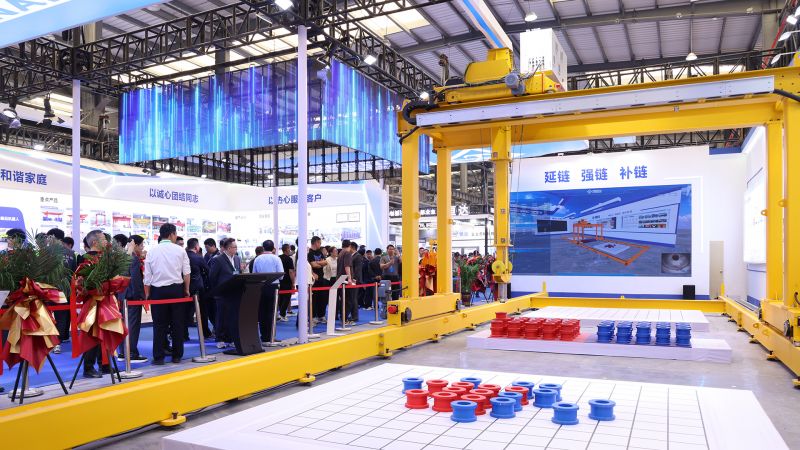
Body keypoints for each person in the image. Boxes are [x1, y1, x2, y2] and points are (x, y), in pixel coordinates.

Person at [144, 223, 191, 365]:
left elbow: (147, 276)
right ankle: (177, 356)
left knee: (159, 325)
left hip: (158, 291)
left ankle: (159, 357)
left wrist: (147, 294)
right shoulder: (180, 250)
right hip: (176, 290)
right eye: (175, 234)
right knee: (177, 324)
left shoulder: (152, 251)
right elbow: (186, 273)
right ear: (171, 234)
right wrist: (186, 290)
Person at [80, 230, 112, 378]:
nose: (106, 242)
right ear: (94, 242)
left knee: (105, 333)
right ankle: (88, 367)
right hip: (92, 303)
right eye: (103, 239)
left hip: (104, 301)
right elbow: (82, 284)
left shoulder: (104, 258)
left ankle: (104, 364)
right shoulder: (86, 260)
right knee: (92, 335)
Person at [118, 235, 147, 363]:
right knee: (133, 326)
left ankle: (122, 353)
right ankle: (132, 353)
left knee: (123, 325)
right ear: (135, 245)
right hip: (132, 296)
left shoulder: (123, 256)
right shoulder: (133, 258)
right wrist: (140, 296)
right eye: (141, 245)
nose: (142, 247)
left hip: (122, 296)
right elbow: (135, 280)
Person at [207, 238, 241, 350]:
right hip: (222, 293)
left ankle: (230, 338)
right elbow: (212, 277)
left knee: (232, 316)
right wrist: (218, 289)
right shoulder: (218, 259)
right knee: (221, 317)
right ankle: (220, 339)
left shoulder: (237, 258)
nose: (236, 249)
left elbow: (238, 272)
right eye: (235, 247)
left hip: (234, 292)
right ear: (228, 248)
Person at [46, 228, 74, 353]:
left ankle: (49, 342)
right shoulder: (71, 253)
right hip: (64, 289)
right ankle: (57, 343)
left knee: (46, 315)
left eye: (48, 237)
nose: (47, 240)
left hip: (48, 289)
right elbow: (73, 272)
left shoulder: (46, 252)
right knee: (61, 317)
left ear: (53, 237)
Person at [252, 240, 283, 345]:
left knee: (262, 312)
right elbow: (281, 275)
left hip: (260, 287)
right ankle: (271, 336)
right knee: (272, 312)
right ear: (273, 248)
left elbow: (254, 274)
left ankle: (264, 337)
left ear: (263, 247)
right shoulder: (276, 258)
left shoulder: (258, 259)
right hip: (273, 287)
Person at [186, 238, 210, 339]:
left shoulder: (183, 256)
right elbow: (208, 271)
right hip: (198, 288)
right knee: (202, 311)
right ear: (196, 247)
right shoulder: (198, 257)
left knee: (185, 312)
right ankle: (205, 333)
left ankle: (184, 335)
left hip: (185, 287)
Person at [308, 237, 329, 323]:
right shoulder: (309, 253)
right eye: (319, 243)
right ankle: (313, 316)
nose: (320, 244)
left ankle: (321, 315)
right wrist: (320, 263)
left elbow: (326, 262)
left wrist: (317, 263)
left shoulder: (320, 252)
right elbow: (313, 265)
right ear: (315, 242)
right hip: (313, 280)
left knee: (322, 298)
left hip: (321, 278)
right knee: (314, 299)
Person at [336, 240, 354, 323]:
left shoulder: (340, 253)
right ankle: (345, 319)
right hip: (345, 280)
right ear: (349, 246)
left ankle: (343, 318)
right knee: (348, 300)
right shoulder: (347, 253)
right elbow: (347, 266)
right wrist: (349, 278)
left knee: (343, 300)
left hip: (340, 279)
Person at [278, 243, 296, 321]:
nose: (290, 250)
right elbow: (291, 271)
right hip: (287, 280)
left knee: (281, 297)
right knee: (287, 297)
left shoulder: (278, 258)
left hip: (279, 280)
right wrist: (293, 282)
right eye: (289, 248)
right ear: (286, 249)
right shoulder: (289, 259)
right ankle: (282, 314)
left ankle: (281, 314)